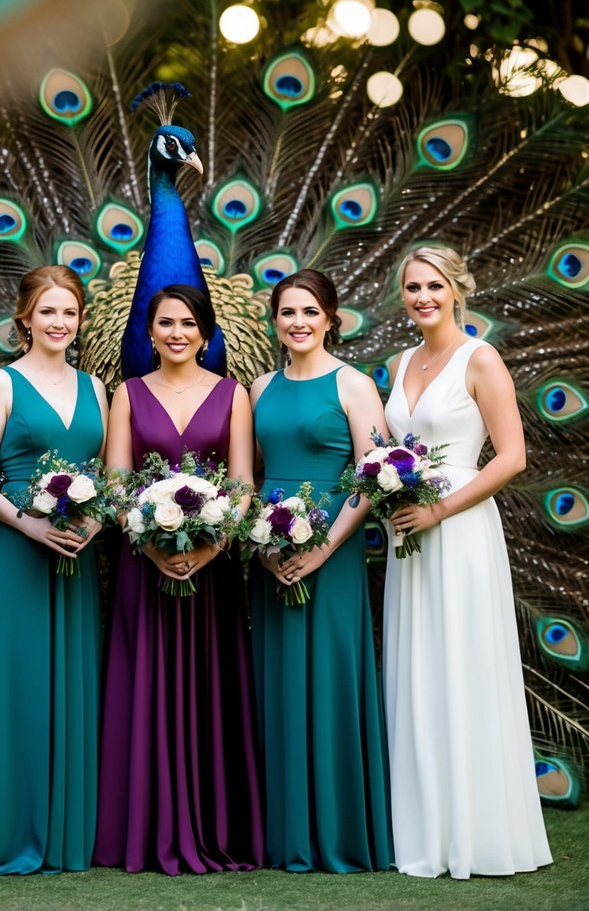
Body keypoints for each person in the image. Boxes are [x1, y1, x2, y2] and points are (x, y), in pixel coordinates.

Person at [383, 246, 551, 878]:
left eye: (434, 285)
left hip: (458, 527)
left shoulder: (482, 359)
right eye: (412, 287)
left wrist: (439, 509)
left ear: (457, 288)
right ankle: (423, 826)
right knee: (418, 665)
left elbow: (511, 458)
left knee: (462, 662)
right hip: (410, 530)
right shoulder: (399, 363)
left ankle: (475, 831)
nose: (423, 297)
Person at [94, 284, 264, 874]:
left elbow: (241, 485)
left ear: (207, 332)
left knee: (210, 689)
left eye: (188, 324)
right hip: (147, 566)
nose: (176, 334)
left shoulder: (232, 394)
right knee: (148, 686)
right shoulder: (128, 394)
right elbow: (116, 482)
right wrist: (147, 538)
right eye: (165, 324)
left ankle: (215, 826)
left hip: (211, 573)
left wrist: (214, 544)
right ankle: (143, 830)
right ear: (149, 333)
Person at [249, 269, 393, 873]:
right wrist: (261, 543)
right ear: (275, 321)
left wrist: (325, 548)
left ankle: (337, 832)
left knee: (332, 681)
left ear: (331, 318)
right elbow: (251, 477)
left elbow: (377, 476)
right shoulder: (258, 388)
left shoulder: (354, 385)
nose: (299, 322)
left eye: (310, 311)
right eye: (287, 312)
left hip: (332, 551)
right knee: (276, 685)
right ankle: (286, 837)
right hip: (272, 550)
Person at [0, 266, 108, 874]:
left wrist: (96, 520)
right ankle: (10, 832)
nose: (59, 323)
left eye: (69, 313)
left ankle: (66, 832)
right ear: (24, 318)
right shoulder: (1, 383)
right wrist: (26, 523)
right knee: (18, 687)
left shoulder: (96, 387)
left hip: (76, 547)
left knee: (73, 685)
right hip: (16, 546)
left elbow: (104, 471)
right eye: (47, 312)